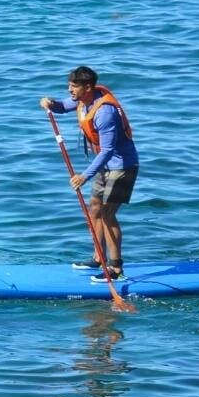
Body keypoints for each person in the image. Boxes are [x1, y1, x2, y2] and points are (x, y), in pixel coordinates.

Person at [41, 66, 139, 281]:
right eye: (69, 85)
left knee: (107, 214)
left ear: (88, 87)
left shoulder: (105, 112)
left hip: (122, 167)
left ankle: (116, 269)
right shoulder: (83, 100)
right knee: (95, 209)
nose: (69, 90)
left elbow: (108, 150)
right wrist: (50, 103)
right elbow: (63, 106)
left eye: (74, 86)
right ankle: (98, 258)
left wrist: (84, 175)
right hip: (104, 166)